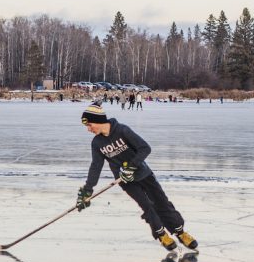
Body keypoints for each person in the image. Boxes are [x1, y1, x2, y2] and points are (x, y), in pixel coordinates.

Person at [76, 102, 198, 251]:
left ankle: (180, 232)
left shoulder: (122, 130)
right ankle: (161, 234)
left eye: (89, 125)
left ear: (99, 121)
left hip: (144, 174)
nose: (89, 129)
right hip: (126, 181)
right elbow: (96, 166)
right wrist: (88, 189)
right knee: (147, 206)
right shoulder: (97, 143)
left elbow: (145, 148)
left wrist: (131, 165)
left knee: (162, 203)